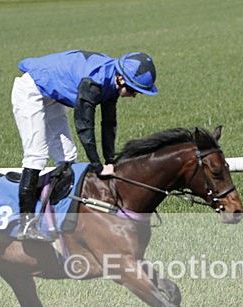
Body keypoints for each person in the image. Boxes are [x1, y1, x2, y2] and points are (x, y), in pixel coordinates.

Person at [10, 50, 158, 241]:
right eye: (133, 90)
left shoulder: (112, 80)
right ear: (120, 79)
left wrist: (109, 160)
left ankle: (57, 214)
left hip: (52, 94)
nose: (134, 95)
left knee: (67, 157)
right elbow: (84, 126)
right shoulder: (93, 83)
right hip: (31, 90)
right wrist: (97, 166)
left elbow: (108, 124)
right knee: (37, 154)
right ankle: (26, 225)